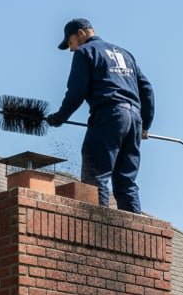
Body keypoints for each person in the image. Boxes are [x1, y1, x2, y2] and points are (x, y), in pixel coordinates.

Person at [46, 19, 155, 214]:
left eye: (70, 42)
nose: (71, 49)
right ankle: (134, 229)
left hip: (109, 115)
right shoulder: (125, 54)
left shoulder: (85, 52)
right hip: (134, 120)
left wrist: (59, 117)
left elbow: (76, 93)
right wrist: (145, 125)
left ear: (80, 33)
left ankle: (99, 227)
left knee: (95, 176)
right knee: (126, 182)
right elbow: (146, 89)